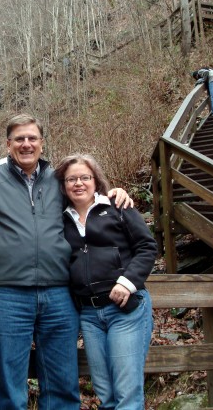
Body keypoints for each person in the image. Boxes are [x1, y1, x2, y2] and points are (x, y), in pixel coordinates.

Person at [0, 114, 133, 409]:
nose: (26, 144)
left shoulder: (58, 179)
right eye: (19, 139)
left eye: (32, 138)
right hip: (8, 294)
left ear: (42, 143)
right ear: (8, 144)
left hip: (59, 292)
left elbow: (86, 194)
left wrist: (113, 192)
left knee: (62, 382)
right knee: (11, 383)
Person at [55, 153, 157, 410]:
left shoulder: (117, 206)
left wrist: (128, 282)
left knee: (126, 393)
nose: (78, 183)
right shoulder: (59, 218)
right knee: (106, 393)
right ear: (63, 185)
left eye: (84, 177)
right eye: (71, 179)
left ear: (95, 180)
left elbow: (147, 246)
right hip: (89, 314)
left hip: (125, 309)